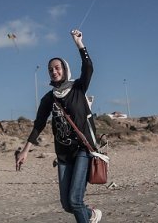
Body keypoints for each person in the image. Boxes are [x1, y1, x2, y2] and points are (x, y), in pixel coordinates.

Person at [16, 29, 102, 223]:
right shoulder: (48, 98)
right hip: (63, 154)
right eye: (51, 69)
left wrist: (79, 44)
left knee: (75, 200)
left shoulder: (78, 88)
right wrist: (25, 151)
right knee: (66, 204)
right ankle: (91, 215)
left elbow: (88, 67)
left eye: (57, 67)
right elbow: (38, 125)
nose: (54, 71)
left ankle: (86, 214)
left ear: (64, 69)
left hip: (82, 149)